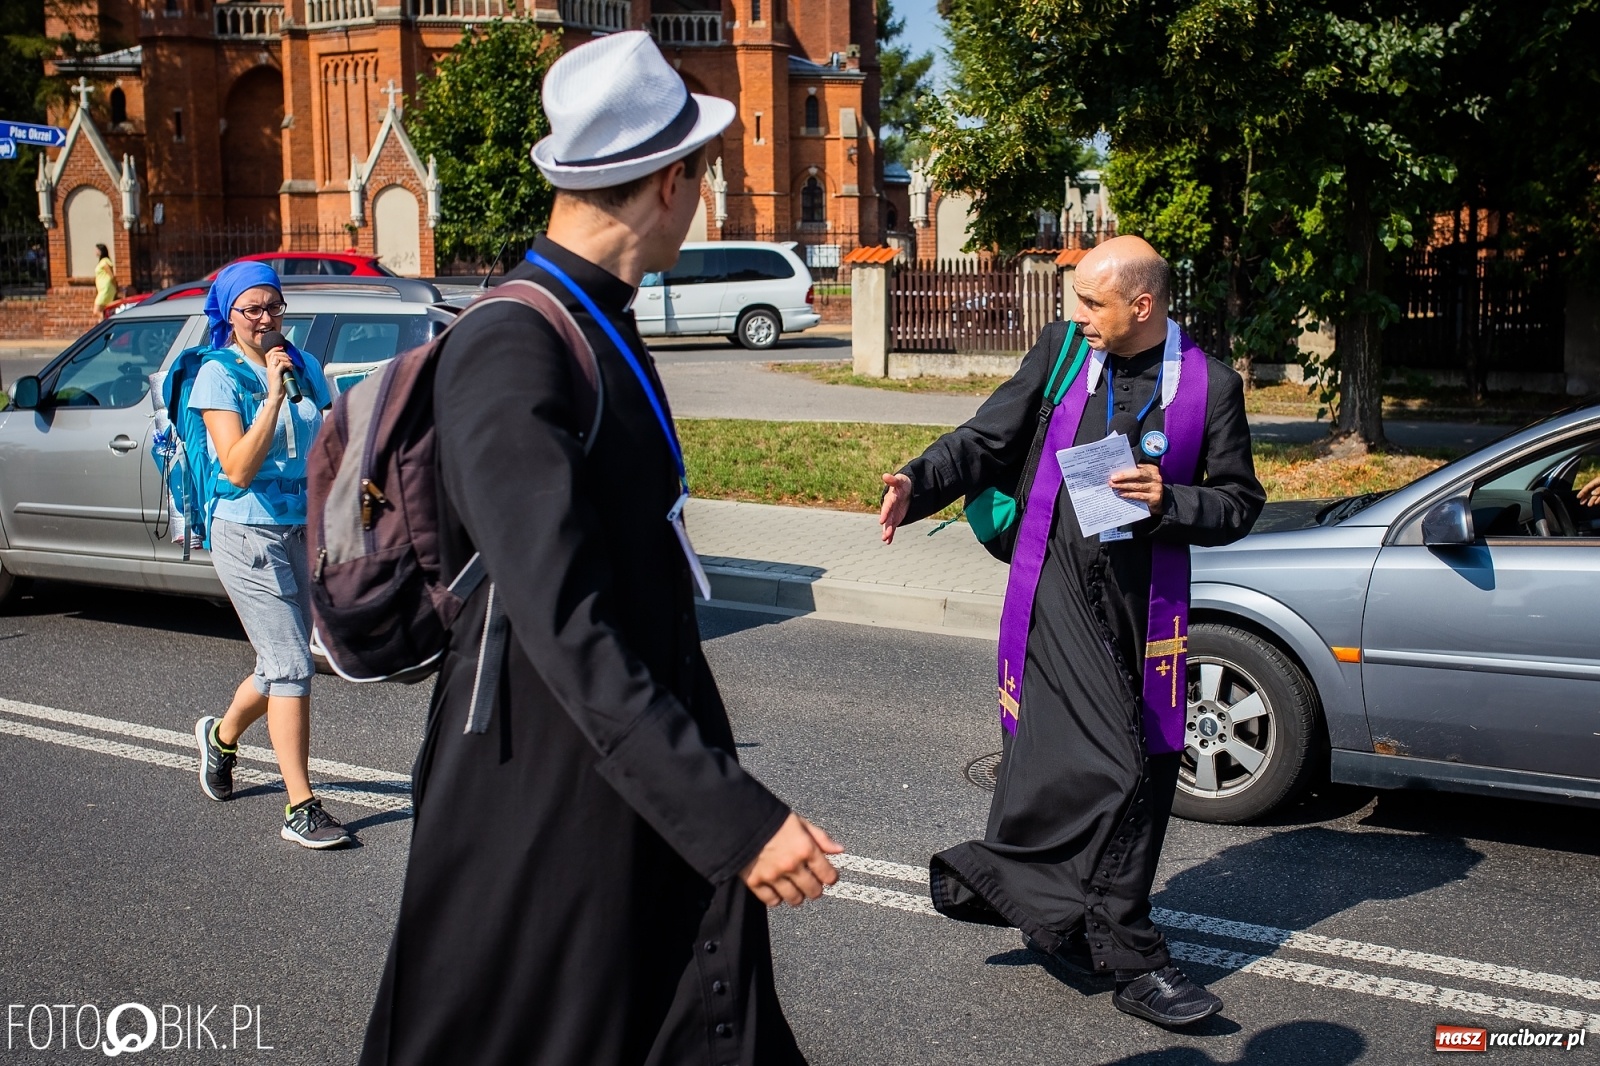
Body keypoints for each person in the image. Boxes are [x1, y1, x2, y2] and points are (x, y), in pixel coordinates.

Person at [360, 31, 841, 1065]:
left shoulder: (597, 317)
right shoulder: (510, 343)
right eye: (703, 177)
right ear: (672, 179)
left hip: (627, 781)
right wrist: (731, 814)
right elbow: (562, 624)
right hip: (542, 803)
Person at [879, 236, 1265, 1028]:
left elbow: (1238, 503)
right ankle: (1131, 955)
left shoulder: (1209, 386)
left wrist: (1170, 501)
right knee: (1113, 762)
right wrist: (918, 481)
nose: (1075, 314)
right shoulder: (1061, 353)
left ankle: (1022, 892)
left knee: (1146, 768)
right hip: (1054, 588)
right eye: (1076, 299)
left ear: (1143, 307)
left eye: (1093, 302)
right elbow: (988, 438)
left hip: (1142, 601)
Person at [188, 260, 352, 850]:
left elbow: (329, 442)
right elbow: (236, 467)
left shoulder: (305, 363)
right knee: (292, 666)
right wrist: (273, 397)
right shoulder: (218, 375)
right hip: (246, 533)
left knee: (279, 665)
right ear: (229, 316)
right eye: (252, 310)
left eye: (274, 307)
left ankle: (221, 737)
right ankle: (300, 807)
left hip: (302, 531)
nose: (266, 319)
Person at [93, 244, 117, 314]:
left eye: (97, 250)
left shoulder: (105, 262)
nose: (95, 251)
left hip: (106, 289)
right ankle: (104, 321)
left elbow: (111, 276)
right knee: (105, 310)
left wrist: (115, 287)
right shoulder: (102, 261)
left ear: (101, 251)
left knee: (96, 311)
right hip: (103, 289)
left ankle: (104, 321)